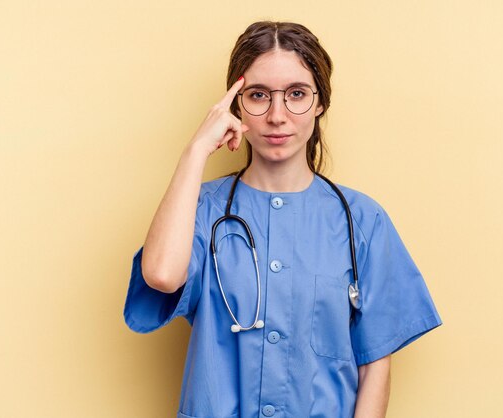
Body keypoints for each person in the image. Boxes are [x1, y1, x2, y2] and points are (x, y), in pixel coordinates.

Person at [123, 21, 442, 418]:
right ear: (236, 105)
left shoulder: (362, 220)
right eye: (258, 95)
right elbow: (162, 276)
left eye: (296, 94)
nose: (278, 115)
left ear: (320, 102)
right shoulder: (201, 208)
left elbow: (375, 361)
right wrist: (196, 151)